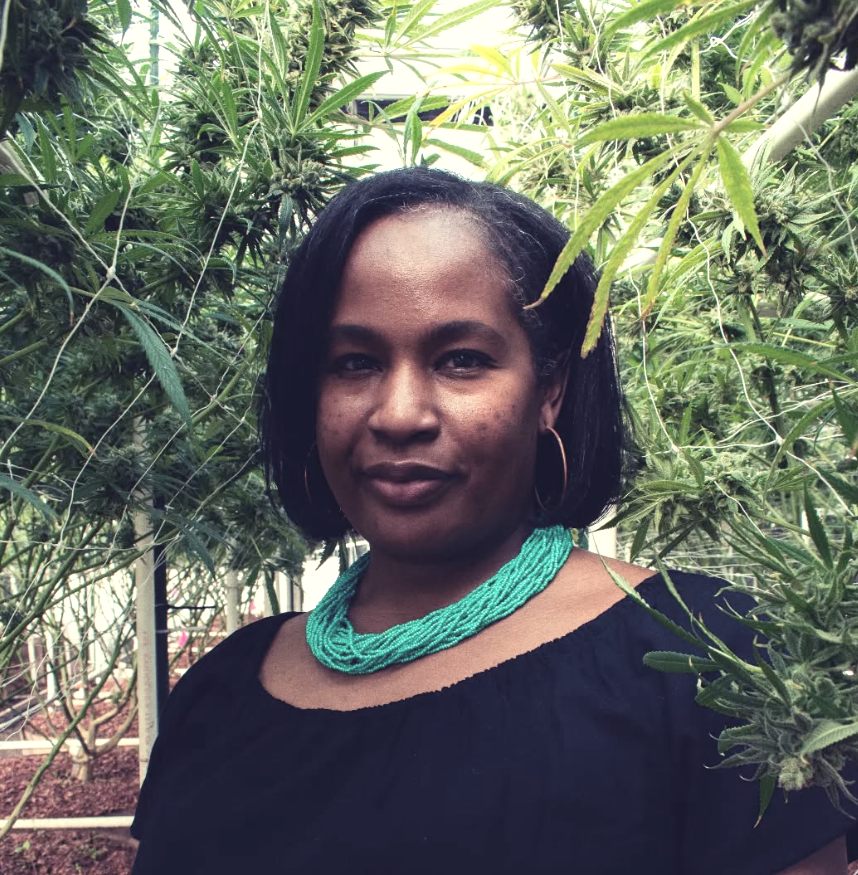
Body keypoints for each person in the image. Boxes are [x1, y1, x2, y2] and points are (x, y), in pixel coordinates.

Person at [130, 167, 856, 873]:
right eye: (353, 363)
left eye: (462, 359)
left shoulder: (714, 658)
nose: (400, 413)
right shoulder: (219, 694)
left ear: (550, 389)